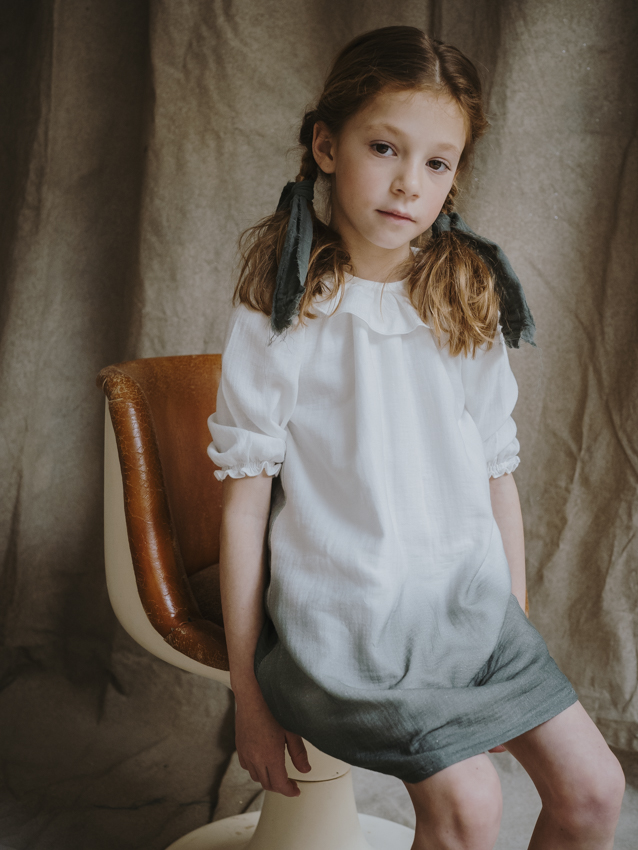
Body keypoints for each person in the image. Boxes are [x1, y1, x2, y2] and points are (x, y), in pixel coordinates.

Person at [207, 25, 625, 850]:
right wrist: (248, 697)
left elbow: (496, 475)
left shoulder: (464, 295)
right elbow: (246, 505)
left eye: (437, 163)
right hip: (348, 625)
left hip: (466, 608)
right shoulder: (285, 310)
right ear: (326, 146)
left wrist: (510, 631)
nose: (409, 183)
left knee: (594, 793)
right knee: (470, 807)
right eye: (384, 148)